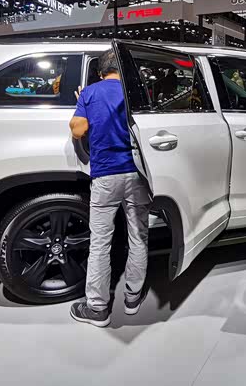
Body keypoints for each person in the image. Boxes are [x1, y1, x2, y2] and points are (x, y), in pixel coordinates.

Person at [68, 50, 151, 328]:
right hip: (137, 175)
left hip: (105, 176)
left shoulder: (90, 92)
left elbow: (78, 131)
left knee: (100, 243)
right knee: (138, 237)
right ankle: (132, 299)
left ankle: (97, 309)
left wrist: (82, 103)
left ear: (100, 71)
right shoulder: (136, 93)